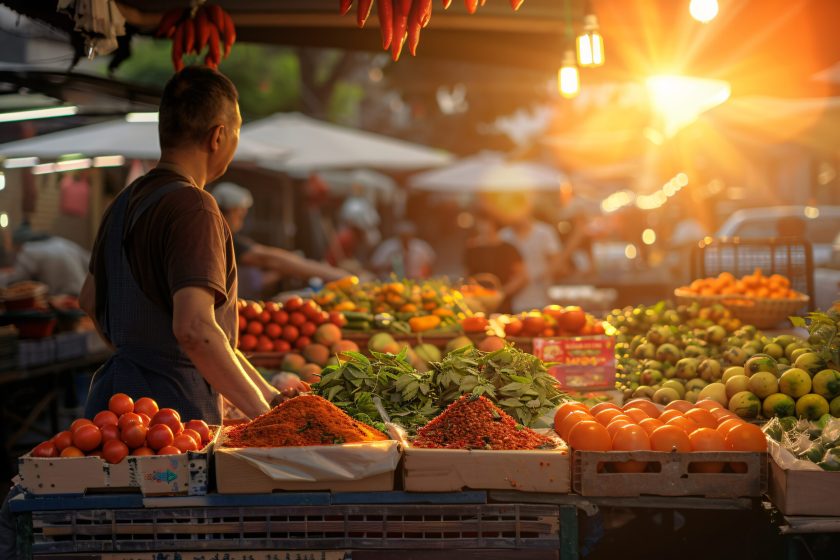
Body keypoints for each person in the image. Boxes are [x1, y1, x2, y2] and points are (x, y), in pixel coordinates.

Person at [79, 67, 307, 425]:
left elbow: (89, 300)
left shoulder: (122, 204)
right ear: (218, 136)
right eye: (237, 132)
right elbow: (195, 329)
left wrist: (271, 396)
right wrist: (267, 419)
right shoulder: (196, 207)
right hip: (173, 418)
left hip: (113, 414)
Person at [211, 182, 350, 299]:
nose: (241, 222)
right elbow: (271, 258)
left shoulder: (224, 236)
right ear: (231, 211)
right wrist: (341, 277)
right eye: (240, 215)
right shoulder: (221, 237)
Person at [0, 223, 90, 295]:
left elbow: (16, 279)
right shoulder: (62, 242)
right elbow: (90, 262)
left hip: (61, 299)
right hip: (83, 295)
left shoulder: (29, 249)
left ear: (19, 243)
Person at [463, 213, 528, 313]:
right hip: (477, 304)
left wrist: (502, 293)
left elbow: (522, 277)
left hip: (502, 305)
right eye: (481, 222)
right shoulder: (472, 249)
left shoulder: (508, 249)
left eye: (487, 223)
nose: (483, 226)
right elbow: (467, 275)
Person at [499, 214, 563, 312]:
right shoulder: (503, 235)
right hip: (511, 304)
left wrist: (540, 276)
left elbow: (557, 262)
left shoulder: (544, 232)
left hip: (540, 300)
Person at [370, 221, 436, 280]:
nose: (405, 239)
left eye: (408, 236)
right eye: (403, 236)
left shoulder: (422, 247)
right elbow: (375, 266)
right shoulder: (387, 247)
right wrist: (389, 267)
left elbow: (430, 264)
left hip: (416, 281)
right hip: (392, 282)